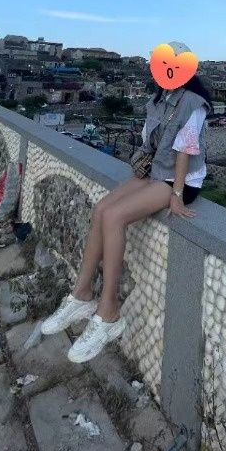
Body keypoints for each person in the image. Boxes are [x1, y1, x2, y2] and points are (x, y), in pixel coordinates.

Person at [41, 42, 211, 363]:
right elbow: (150, 142)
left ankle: (109, 312)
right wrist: (141, 162)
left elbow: (185, 151)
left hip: (180, 181)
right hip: (156, 172)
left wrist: (176, 196)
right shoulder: (158, 101)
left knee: (115, 216)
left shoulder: (193, 103)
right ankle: (81, 294)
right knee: (102, 209)